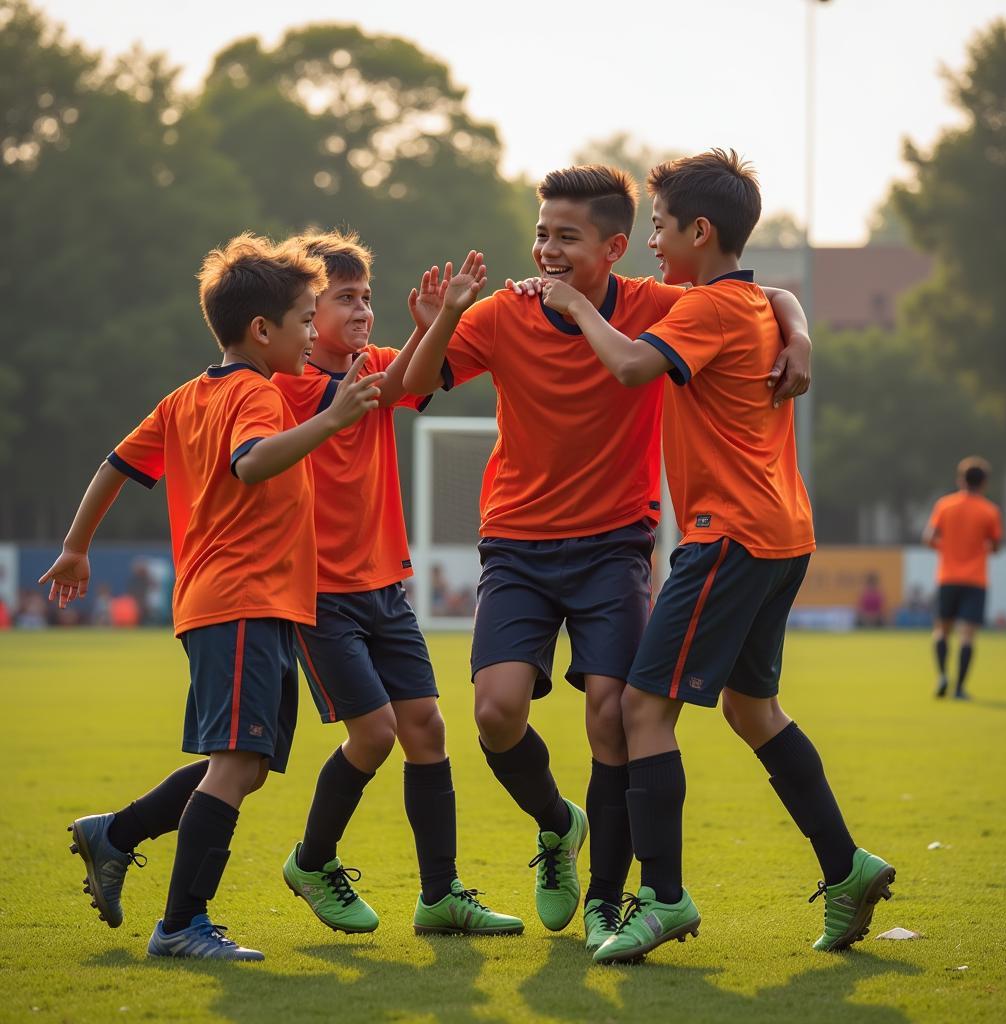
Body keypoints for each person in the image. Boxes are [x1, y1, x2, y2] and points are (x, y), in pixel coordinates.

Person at [403, 164, 812, 950]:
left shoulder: (656, 307)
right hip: (517, 542)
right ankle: (559, 827)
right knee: (494, 712)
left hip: (616, 544)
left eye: (566, 237)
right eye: (541, 233)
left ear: (615, 247)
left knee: (612, 721)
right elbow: (408, 391)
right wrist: (441, 320)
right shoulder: (501, 313)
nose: (546, 250)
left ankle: (606, 899)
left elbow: (757, 296)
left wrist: (798, 334)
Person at [539, 149, 894, 963]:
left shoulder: (702, 310)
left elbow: (631, 365)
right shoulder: (755, 304)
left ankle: (662, 897)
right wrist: (800, 332)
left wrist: (573, 305)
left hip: (725, 534)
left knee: (641, 709)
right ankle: (846, 869)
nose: (653, 242)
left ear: (700, 231)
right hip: (783, 534)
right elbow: (783, 295)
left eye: (659, 228)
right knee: (750, 709)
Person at [40, 234, 384, 961]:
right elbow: (252, 463)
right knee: (235, 764)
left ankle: (117, 834)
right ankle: (181, 926)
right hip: (242, 598)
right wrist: (332, 418)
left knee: (247, 763)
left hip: (244, 604)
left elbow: (115, 465)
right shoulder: (254, 392)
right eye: (303, 319)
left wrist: (76, 545)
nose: (308, 332)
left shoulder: (186, 396)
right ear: (263, 331)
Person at [273, 230, 522, 936]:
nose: (361, 312)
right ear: (302, 314)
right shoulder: (283, 387)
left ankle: (440, 895)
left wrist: (436, 321)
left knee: (426, 728)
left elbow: (410, 383)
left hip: (385, 588)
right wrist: (431, 329)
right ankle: (311, 861)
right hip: (319, 596)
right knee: (376, 732)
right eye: (344, 299)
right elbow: (388, 387)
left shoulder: (375, 365)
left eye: (366, 298)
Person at [924, 456, 1002, 699]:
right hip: (975, 580)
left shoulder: (945, 505)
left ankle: (942, 675)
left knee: (941, 630)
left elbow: (929, 538)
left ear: (961, 479)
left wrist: (946, 549)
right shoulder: (989, 511)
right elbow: (996, 545)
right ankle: (959, 688)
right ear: (984, 483)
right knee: (967, 635)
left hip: (948, 577)